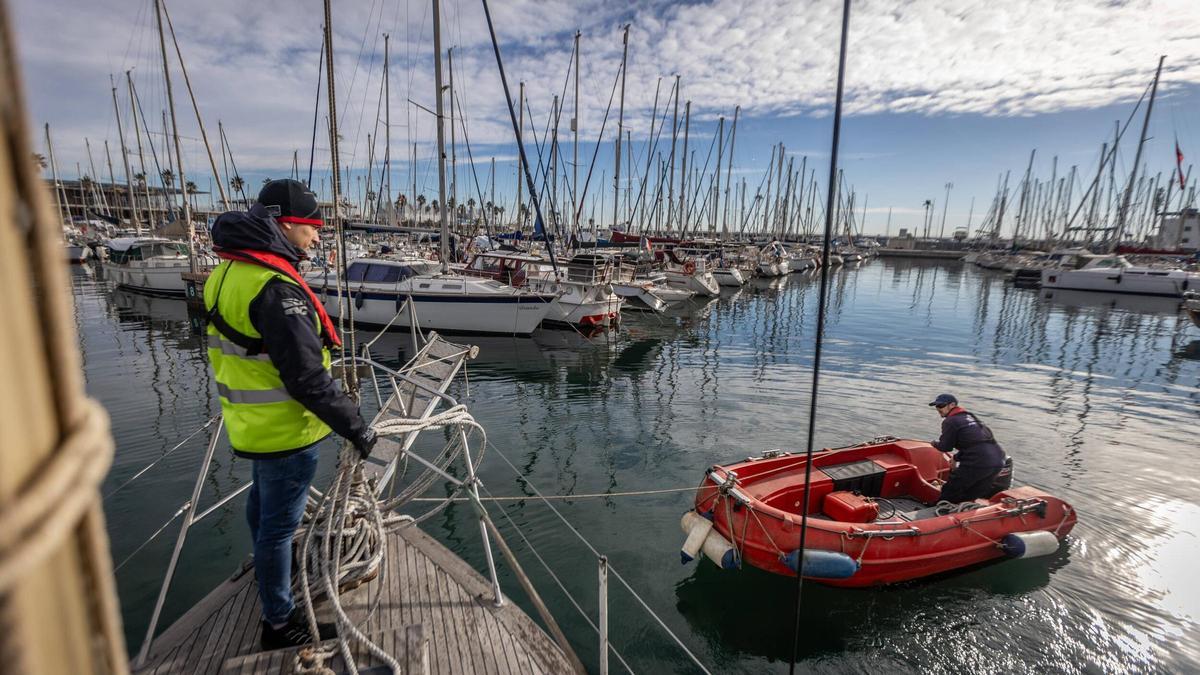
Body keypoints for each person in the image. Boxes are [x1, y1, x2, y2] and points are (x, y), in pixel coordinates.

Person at [204, 179, 378, 650]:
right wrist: (356, 427)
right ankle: (279, 623)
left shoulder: (226, 273)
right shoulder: (276, 288)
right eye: (311, 226)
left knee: (263, 511)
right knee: (280, 527)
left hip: (251, 425)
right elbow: (307, 379)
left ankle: (268, 580)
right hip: (287, 430)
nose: (317, 236)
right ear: (284, 225)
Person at [928, 394, 1008, 503]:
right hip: (998, 460)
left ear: (952, 405)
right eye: (936, 406)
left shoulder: (950, 421)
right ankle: (964, 510)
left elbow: (945, 447)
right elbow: (976, 443)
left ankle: (941, 510)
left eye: (941, 405)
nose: (938, 409)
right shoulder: (971, 417)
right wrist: (956, 457)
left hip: (978, 461)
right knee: (971, 495)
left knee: (950, 491)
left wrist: (934, 443)